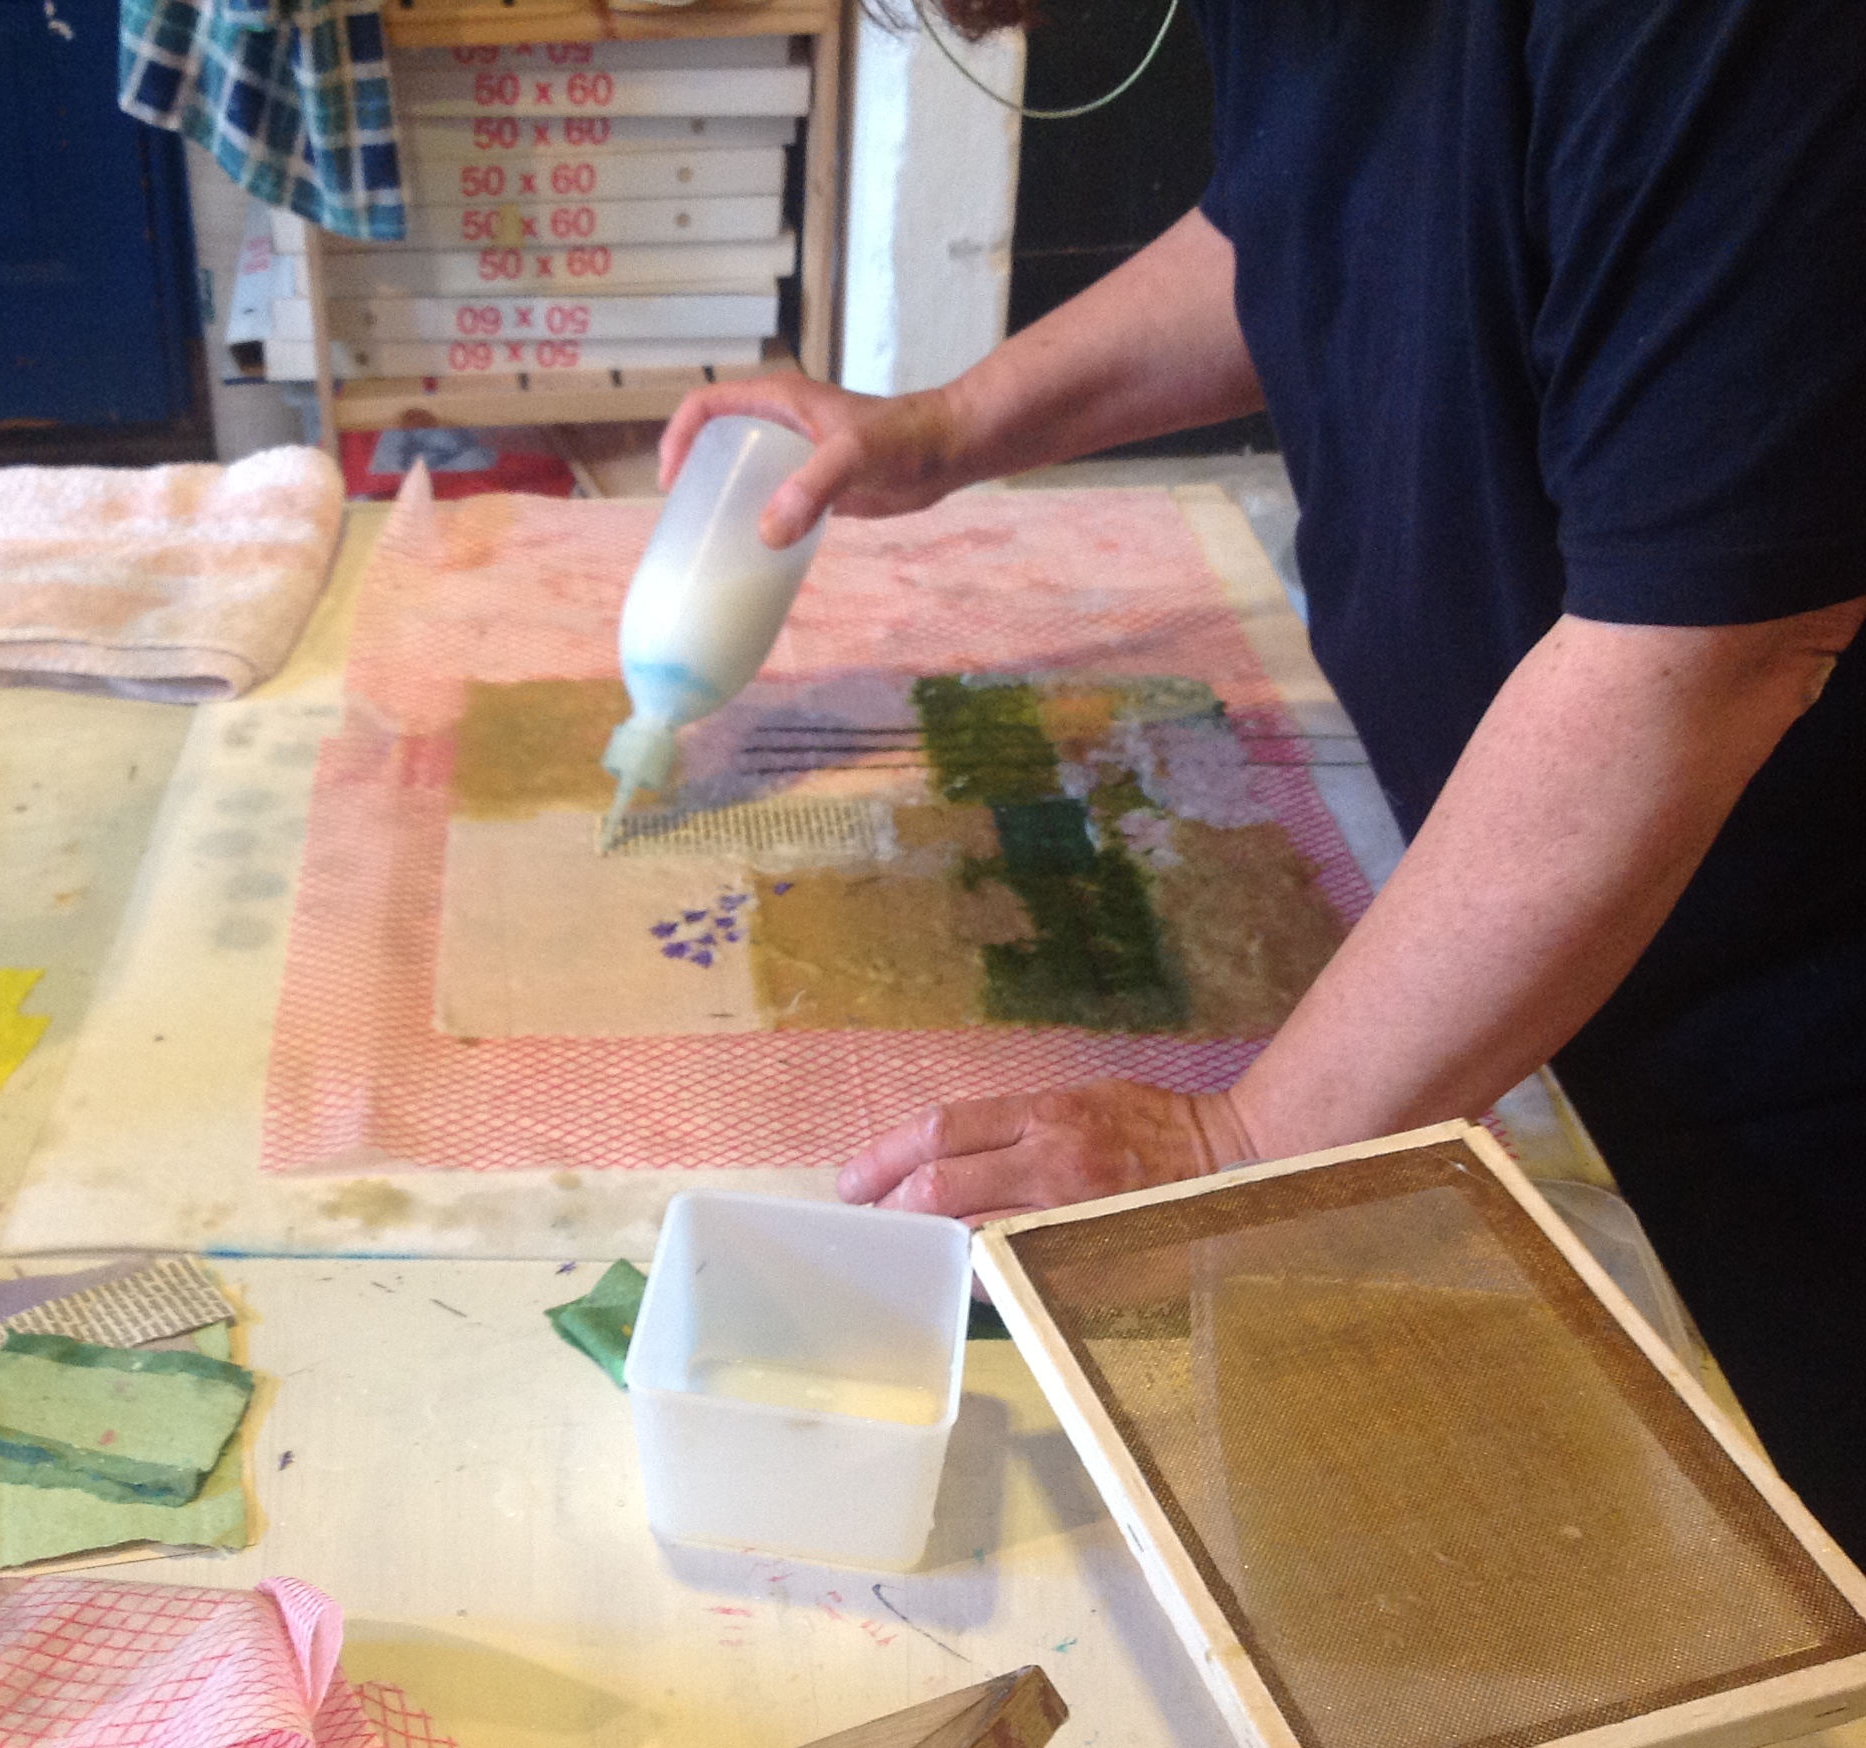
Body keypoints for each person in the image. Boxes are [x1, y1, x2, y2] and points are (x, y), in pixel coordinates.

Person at [659, 0, 1866, 1552]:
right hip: (1516, 952)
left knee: (1732, 1579)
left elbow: (1705, 659)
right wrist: (950, 426)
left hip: (1774, 1052)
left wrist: (1242, 1145)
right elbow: (1301, 217)